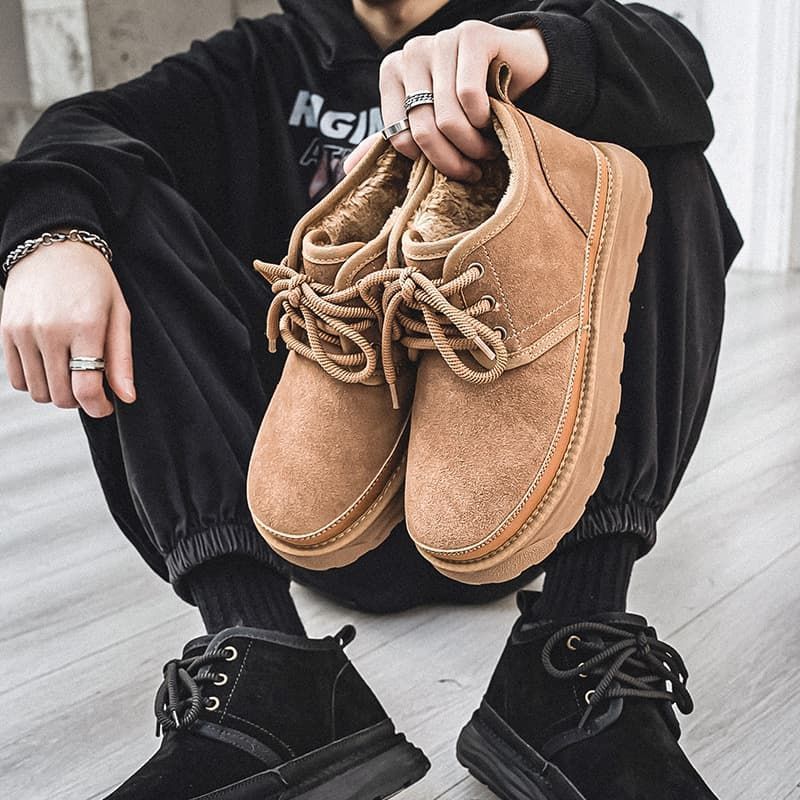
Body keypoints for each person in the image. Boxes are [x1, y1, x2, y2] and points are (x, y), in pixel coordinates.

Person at [0, 1, 742, 799]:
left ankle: (574, 652)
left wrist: (539, 52)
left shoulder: (527, 24)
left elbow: (679, 62)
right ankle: (266, 675)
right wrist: (50, 235)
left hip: (531, 489)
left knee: (657, 153)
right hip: (306, 499)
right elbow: (83, 124)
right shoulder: (262, 59)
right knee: (109, 206)